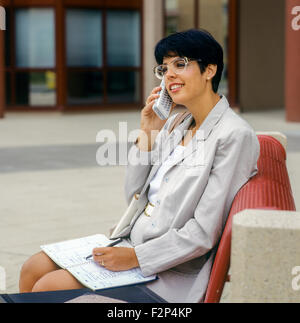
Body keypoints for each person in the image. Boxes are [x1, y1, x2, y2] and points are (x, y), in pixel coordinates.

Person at [19, 29, 260, 303]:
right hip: (132, 243)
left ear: (210, 70)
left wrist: (136, 257)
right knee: (32, 268)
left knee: (48, 287)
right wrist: (147, 131)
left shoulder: (233, 135)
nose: (169, 75)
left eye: (180, 64)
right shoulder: (176, 124)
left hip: (170, 268)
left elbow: (204, 231)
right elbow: (134, 195)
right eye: (164, 68)